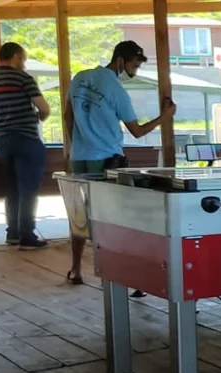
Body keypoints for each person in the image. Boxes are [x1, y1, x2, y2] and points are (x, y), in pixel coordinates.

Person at [63, 40, 176, 285]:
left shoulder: (80, 78)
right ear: (121, 61)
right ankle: (119, 274)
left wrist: (78, 143)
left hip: (79, 157)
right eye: (134, 66)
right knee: (114, 217)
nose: (134, 71)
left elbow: (67, 115)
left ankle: (76, 269)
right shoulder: (116, 89)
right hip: (107, 159)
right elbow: (137, 131)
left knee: (79, 215)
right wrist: (164, 117)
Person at [0, 42, 51, 249]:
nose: (24, 64)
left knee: (12, 188)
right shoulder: (22, 78)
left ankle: (13, 232)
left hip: (2, 140)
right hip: (26, 138)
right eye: (23, 59)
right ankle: (27, 236)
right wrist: (39, 117)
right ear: (16, 56)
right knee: (28, 188)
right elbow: (44, 108)